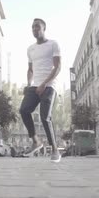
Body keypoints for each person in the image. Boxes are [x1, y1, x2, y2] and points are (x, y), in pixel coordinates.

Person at [19, 18, 62, 163]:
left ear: (44, 28)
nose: (34, 29)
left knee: (45, 117)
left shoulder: (53, 44)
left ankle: (55, 150)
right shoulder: (30, 49)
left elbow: (57, 67)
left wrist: (45, 83)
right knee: (24, 110)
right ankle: (36, 141)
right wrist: (28, 83)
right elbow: (30, 69)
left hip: (49, 85)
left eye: (37, 27)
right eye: (32, 27)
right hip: (35, 84)